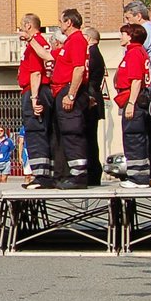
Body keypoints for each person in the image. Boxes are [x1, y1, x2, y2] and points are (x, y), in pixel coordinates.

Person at [123, 0, 151, 185]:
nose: (128, 23)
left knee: (143, 132)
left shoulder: (144, 36)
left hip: (145, 89)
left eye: (129, 19)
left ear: (138, 16)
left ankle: (149, 173)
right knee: (150, 132)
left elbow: (138, 70)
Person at [48, 10, 90, 189]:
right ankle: (70, 173)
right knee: (66, 134)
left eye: (61, 21)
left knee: (73, 133)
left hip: (69, 91)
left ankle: (79, 176)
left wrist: (71, 95)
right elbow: (50, 56)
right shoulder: (70, 42)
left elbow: (79, 69)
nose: (59, 24)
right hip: (61, 91)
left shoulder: (78, 40)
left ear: (69, 22)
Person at [17, 14, 56, 189]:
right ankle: (46, 173)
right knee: (44, 131)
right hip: (43, 91)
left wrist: (33, 98)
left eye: (21, 27)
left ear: (28, 26)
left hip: (36, 90)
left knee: (35, 131)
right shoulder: (40, 42)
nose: (19, 31)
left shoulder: (35, 45)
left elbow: (36, 73)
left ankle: (41, 176)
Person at [113, 23, 151, 189]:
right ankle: (139, 175)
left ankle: (138, 177)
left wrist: (131, 103)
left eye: (123, 34)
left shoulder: (135, 53)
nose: (120, 37)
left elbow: (136, 80)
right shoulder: (137, 52)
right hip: (132, 97)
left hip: (133, 98)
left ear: (130, 36)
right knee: (135, 137)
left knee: (133, 137)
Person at [82, 24, 107, 187]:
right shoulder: (95, 53)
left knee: (89, 138)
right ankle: (92, 171)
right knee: (90, 138)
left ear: (89, 39)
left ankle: (93, 172)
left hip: (91, 99)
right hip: (93, 97)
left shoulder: (92, 54)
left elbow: (88, 76)